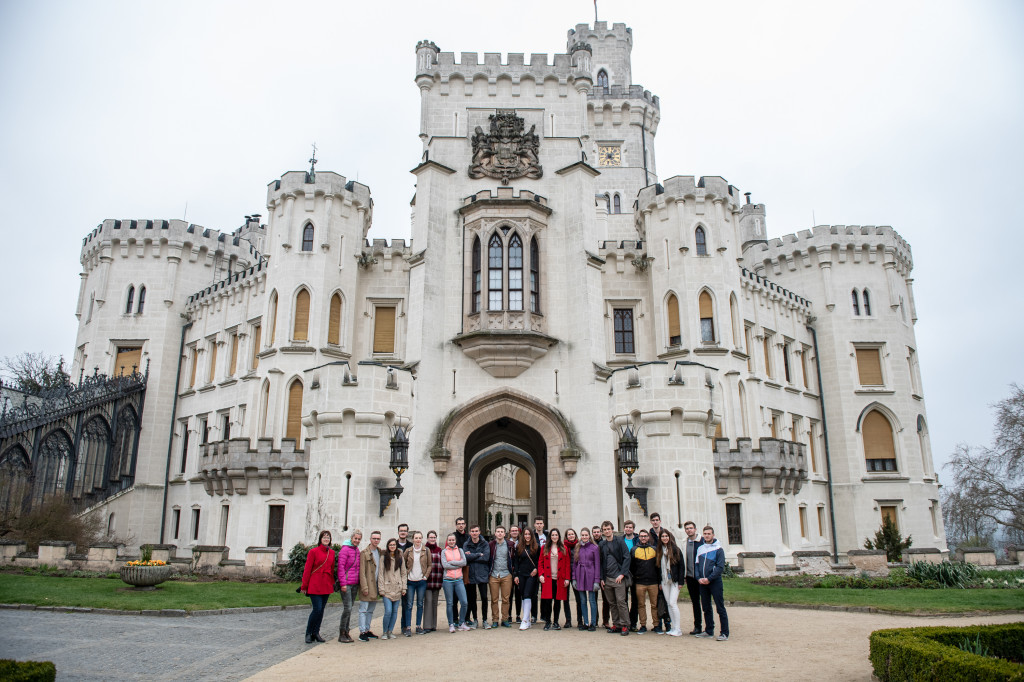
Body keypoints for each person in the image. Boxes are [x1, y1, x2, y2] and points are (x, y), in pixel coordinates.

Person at [300, 530, 336, 644]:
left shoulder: (332, 553)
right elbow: (307, 569)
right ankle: (308, 633)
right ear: (320, 539)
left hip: (326, 584)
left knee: (321, 611)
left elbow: (331, 568)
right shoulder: (313, 552)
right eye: (324, 537)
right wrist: (304, 585)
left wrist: (332, 583)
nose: (326, 539)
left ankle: (316, 632)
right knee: (317, 609)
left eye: (328, 537)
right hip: (315, 584)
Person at [695, 525, 729, 641]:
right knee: (706, 607)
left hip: (714, 582)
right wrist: (698, 577)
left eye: (709, 534)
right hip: (702, 582)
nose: (707, 536)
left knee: (720, 607)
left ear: (713, 535)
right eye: (705, 534)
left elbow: (720, 567)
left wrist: (709, 578)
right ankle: (709, 630)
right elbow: (697, 564)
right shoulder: (700, 548)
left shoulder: (719, 549)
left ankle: (724, 632)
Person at [599, 520, 631, 636]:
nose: (607, 531)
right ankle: (616, 624)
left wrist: (622, 574)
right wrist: (602, 578)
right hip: (607, 578)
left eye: (608, 529)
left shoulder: (620, 541)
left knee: (621, 601)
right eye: (605, 529)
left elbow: (627, 557)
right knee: (612, 602)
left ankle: (625, 625)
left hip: (618, 577)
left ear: (612, 529)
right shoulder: (602, 544)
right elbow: (601, 562)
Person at [538, 527, 570, 630]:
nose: (554, 537)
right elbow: (540, 563)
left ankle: (555, 622)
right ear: (550, 537)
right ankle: (548, 622)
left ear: (559, 536)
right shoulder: (544, 548)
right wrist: (541, 574)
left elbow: (567, 565)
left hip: (559, 578)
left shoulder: (564, 548)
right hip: (548, 578)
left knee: (557, 601)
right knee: (548, 601)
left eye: (556, 535)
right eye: (552, 535)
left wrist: (567, 578)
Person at [630, 529, 660, 634]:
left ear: (648, 537)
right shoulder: (634, 550)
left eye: (645, 536)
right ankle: (643, 625)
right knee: (641, 604)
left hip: (653, 581)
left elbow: (658, 566)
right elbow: (632, 566)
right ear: (639, 537)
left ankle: (656, 625)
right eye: (641, 536)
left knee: (654, 604)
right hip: (640, 581)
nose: (643, 538)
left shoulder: (654, 549)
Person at [377, 538, 407, 639]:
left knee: (395, 611)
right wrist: (381, 589)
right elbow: (381, 574)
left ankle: (390, 630)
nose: (392, 546)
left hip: (397, 587)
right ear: (388, 546)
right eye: (390, 545)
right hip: (387, 588)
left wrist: (404, 587)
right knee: (388, 611)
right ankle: (385, 631)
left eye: (394, 545)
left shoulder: (400, 557)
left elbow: (403, 573)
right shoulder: (384, 557)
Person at [440, 533, 471, 632]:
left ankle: (461, 622)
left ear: (455, 540)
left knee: (464, 602)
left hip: (459, 579)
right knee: (450, 603)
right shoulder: (443, 551)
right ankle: (451, 624)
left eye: (453, 540)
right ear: (447, 541)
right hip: (448, 580)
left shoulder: (460, 550)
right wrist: (458, 564)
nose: (451, 541)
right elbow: (445, 565)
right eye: (449, 540)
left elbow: (464, 562)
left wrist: (452, 562)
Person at [572, 527, 601, 631]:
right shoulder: (577, 547)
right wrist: (574, 578)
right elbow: (575, 564)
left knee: (592, 600)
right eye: (582, 535)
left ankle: (593, 623)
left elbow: (597, 564)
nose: (584, 537)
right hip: (580, 575)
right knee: (583, 600)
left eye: (586, 535)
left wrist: (597, 580)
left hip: (591, 575)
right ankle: (586, 622)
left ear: (589, 536)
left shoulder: (594, 547)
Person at [336, 529, 362, 643]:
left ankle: (347, 631)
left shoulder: (357, 550)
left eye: (359, 539)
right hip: (347, 584)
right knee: (348, 608)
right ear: (351, 538)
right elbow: (340, 567)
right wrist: (343, 583)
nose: (357, 540)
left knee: (350, 609)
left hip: (354, 583)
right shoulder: (345, 550)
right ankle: (342, 632)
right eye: (355, 538)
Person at [463, 524, 491, 628]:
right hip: (471, 574)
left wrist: (472, 556)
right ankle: (475, 619)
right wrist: (479, 554)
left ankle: (484, 620)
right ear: (470, 533)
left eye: (476, 531)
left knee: (484, 597)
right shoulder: (466, 544)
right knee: (472, 598)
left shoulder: (485, 544)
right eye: (472, 531)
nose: (474, 533)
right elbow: (465, 557)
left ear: (479, 532)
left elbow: (486, 558)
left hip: (482, 574)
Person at [657, 529, 685, 636]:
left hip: (674, 580)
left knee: (673, 603)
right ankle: (673, 627)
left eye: (666, 536)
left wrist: (681, 581)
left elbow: (681, 566)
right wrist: (660, 581)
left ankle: (678, 628)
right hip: (665, 580)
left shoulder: (675, 549)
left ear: (669, 537)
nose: (664, 538)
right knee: (669, 603)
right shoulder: (660, 550)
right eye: (662, 536)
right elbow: (658, 567)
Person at [403, 530, 431, 635]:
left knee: (420, 604)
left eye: (419, 538)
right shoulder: (408, 551)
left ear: (422, 539)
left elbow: (429, 565)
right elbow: (403, 563)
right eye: (416, 538)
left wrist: (425, 576)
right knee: (409, 605)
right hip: (410, 581)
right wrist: (405, 575)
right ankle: (408, 627)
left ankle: (418, 626)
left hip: (421, 581)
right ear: (413, 539)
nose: (418, 540)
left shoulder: (426, 550)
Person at [487, 525, 515, 628]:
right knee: (494, 599)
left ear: (505, 534)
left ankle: (505, 619)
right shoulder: (490, 545)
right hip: (494, 574)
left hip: (506, 574)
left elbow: (513, 558)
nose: (499, 533)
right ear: (495, 533)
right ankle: (495, 620)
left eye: (501, 532)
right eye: (498, 531)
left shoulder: (510, 545)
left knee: (505, 599)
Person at [357, 530, 383, 642]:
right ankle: (362, 631)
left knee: (371, 610)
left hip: (375, 585)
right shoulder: (364, 553)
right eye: (374, 538)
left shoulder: (380, 552)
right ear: (370, 539)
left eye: (378, 539)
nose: (376, 540)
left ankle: (367, 629)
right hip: (368, 584)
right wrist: (364, 587)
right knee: (363, 609)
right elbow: (362, 572)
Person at [648, 512, 670, 632]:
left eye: (657, 520)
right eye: (653, 520)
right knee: (657, 599)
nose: (655, 522)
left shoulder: (666, 534)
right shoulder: (649, 535)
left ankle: (668, 623)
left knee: (666, 599)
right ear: (651, 522)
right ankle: (658, 624)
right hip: (655, 569)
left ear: (660, 521)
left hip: (665, 569)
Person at [681, 520, 704, 635]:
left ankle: (709, 626)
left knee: (705, 602)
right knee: (695, 602)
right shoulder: (684, 542)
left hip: (701, 577)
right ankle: (697, 626)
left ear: (695, 529)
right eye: (687, 528)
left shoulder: (702, 541)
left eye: (691, 528)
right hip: (690, 576)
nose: (689, 530)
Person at [514, 526, 540, 630]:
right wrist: (516, 574)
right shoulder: (519, 547)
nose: (527, 536)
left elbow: (539, 560)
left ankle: (524, 620)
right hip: (521, 574)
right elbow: (516, 561)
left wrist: (537, 569)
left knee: (527, 594)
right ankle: (527, 619)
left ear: (532, 535)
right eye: (525, 534)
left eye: (529, 534)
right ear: (523, 535)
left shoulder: (537, 547)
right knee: (523, 596)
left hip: (532, 574)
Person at [422, 530, 444, 633]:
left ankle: (433, 625)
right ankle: (427, 625)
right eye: (431, 537)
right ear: (427, 538)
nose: (432, 539)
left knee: (435, 603)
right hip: (427, 579)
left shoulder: (439, 550)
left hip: (437, 579)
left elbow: (442, 564)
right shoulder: (424, 550)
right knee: (428, 601)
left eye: (434, 537)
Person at [621, 520, 639, 630]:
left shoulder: (637, 540)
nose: (628, 529)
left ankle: (633, 622)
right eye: (626, 527)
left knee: (635, 599)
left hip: (635, 571)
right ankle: (626, 621)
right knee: (624, 599)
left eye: (630, 527)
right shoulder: (620, 540)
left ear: (633, 529)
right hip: (624, 571)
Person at [593, 524, 610, 629]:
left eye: (598, 532)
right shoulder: (590, 544)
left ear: (601, 532)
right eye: (594, 532)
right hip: (593, 574)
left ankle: (605, 620)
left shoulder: (604, 544)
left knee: (606, 599)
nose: (596, 534)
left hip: (603, 574)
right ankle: (595, 620)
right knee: (593, 599)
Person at [451, 517, 469, 624]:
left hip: (465, 569)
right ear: (456, 525)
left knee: (465, 596)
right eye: (459, 524)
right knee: (454, 597)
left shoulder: (468, 537)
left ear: (465, 525)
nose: (461, 525)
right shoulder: (453, 537)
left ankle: (466, 618)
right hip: (455, 569)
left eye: (462, 523)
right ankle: (454, 618)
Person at [396, 523, 412, 634]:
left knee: (407, 604)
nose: (403, 532)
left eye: (405, 531)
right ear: (398, 532)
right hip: (395, 579)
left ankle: (405, 626)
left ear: (407, 532)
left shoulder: (411, 545)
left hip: (407, 578)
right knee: (394, 604)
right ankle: (389, 628)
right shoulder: (392, 544)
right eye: (401, 530)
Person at [531, 516, 547, 622]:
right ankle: (534, 615)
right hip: (535, 567)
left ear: (543, 524)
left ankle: (544, 615)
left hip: (546, 568)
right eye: (537, 523)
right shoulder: (532, 536)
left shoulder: (548, 536)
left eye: (541, 523)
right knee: (534, 593)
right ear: (534, 525)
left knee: (545, 593)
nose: (539, 525)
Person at [563, 528, 580, 628]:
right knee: (566, 599)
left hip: (576, 574)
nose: (571, 536)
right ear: (566, 536)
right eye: (569, 534)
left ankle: (579, 620)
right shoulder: (564, 547)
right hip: (566, 574)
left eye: (572, 534)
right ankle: (568, 620)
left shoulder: (579, 546)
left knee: (578, 598)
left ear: (575, 535)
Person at [508, 525, 522, 622]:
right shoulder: (506, 543)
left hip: (519, 570)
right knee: (508, 594)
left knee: (518, 594)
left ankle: (517, 615)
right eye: (513, 530)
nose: (514, 532)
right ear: (510, 532)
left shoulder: (522, 543)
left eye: (516, 530)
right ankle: (509, 615)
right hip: (509, 570)